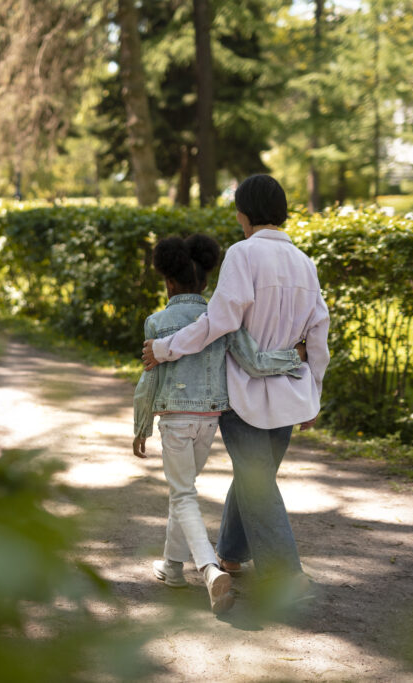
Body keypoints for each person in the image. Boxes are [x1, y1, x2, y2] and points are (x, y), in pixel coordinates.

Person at [142, 174, 330, 604]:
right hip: (290, 391)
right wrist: (314, 391)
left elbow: (217, 322)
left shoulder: (242, 255)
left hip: (243, 392)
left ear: (243, 215)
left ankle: (284, 574)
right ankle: (230, 553)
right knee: (256, 475)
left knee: (256, 478)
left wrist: (165, 348)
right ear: (282, 212)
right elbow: (318, 335)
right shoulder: (305, 262)